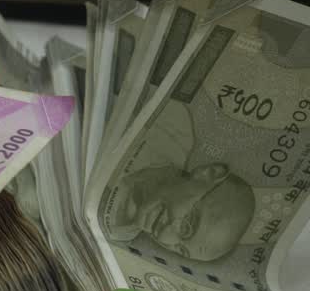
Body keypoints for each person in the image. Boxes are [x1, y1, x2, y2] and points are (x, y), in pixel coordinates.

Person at [105, 101, 254, 262]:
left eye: (181, 249)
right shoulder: (171, 125)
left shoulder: (117, 232)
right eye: (187, 225)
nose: (164, 237)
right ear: (208, 174)